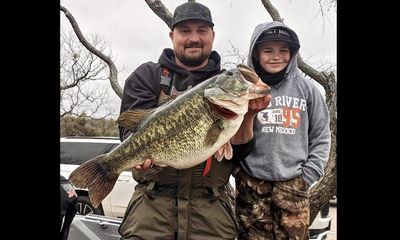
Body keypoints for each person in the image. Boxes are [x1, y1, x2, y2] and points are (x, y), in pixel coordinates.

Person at [117, 2, 271, 239]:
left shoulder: (226, 81)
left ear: (212, 35)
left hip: (211, 216)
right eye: (185, 31)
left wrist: (249, 113)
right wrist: (135, 158)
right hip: (150, 212)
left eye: (201, 30)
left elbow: (239, 154)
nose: (194, 38)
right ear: (172, 35)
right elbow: (130, 133)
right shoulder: (147, 76)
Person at [233, 21, 331, 240]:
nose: (276, 56)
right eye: (268, 50)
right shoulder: (243, 89)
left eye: (283, 51)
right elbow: (231, 132)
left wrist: (308, 175)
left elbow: (321, 135)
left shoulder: (307, 90)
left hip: (294, 183)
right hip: (251, 185)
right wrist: (239, 171)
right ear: (256, 53)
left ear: (292, 53)